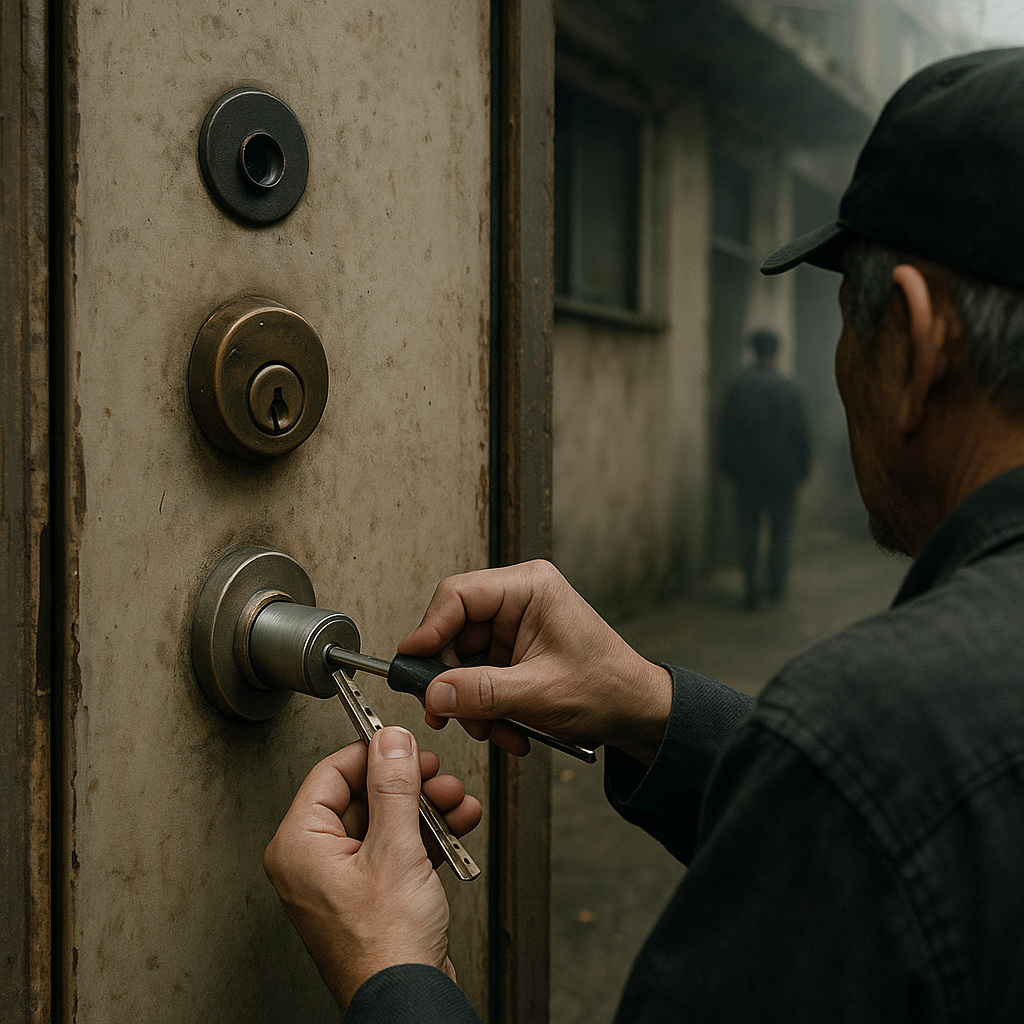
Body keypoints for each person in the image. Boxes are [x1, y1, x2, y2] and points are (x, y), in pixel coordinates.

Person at [264, 47, 1024, 1022]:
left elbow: (884, 803)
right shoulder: (883, 762)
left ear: (914, 342)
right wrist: (653, 708)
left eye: (846, 322)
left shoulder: (874, 737)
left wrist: (391, 969)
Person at [718, 328, 811, 606]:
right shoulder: (792, 388)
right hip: (783, 475)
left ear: (754, 350)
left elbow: (727, 431)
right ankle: (776, 588)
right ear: (777, 352)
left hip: (748, 476)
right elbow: (801, 435)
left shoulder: (738, 386)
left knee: (749, 532)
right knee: (781, 533)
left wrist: (729, 469)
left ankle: (751, 591)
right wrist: (802, 471)